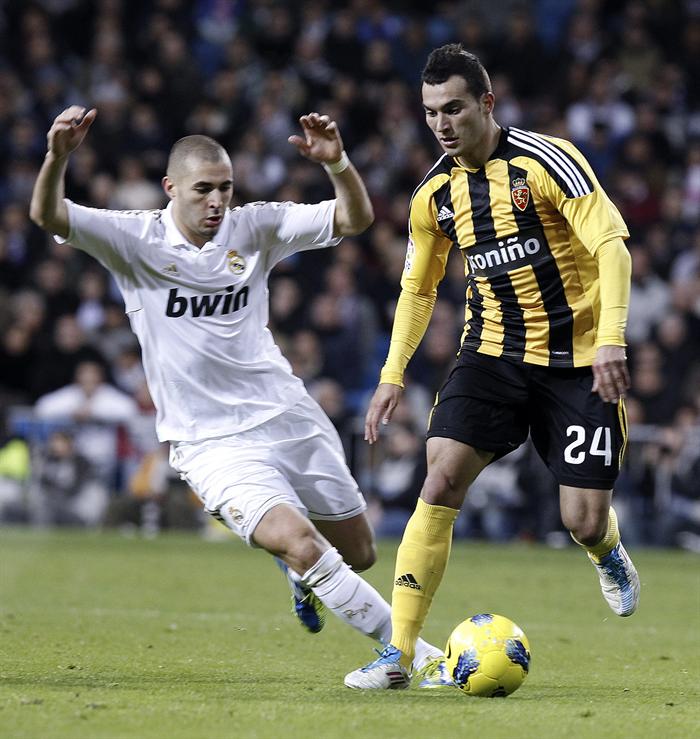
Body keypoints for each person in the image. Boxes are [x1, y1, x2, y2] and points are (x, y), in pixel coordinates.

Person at [30, 105, 449, 687]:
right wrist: (57, 157)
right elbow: (48, 213)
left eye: (225, 188)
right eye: (203, 189)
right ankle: (415, 656)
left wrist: (338, 165)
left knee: (358, 553)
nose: (217, 202)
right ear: (170, 188)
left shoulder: (254, 227)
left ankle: (300, 576)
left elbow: (355, 219)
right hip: (210, 442)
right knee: (301, 543)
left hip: (287, 414)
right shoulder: (133, 238)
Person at [345, 44, 640, 690]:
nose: (442, 124)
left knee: (582, 518)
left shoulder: (548, 162)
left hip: (579, 359)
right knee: (440, 476)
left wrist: (612, 339)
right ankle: (398, 654)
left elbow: (612, 246)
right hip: (493, 353)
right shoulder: (434, 195)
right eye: (430, 113)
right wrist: (392, 373)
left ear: (486, 103)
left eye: (453, 109)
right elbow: (419, 288)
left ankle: (605, 548)